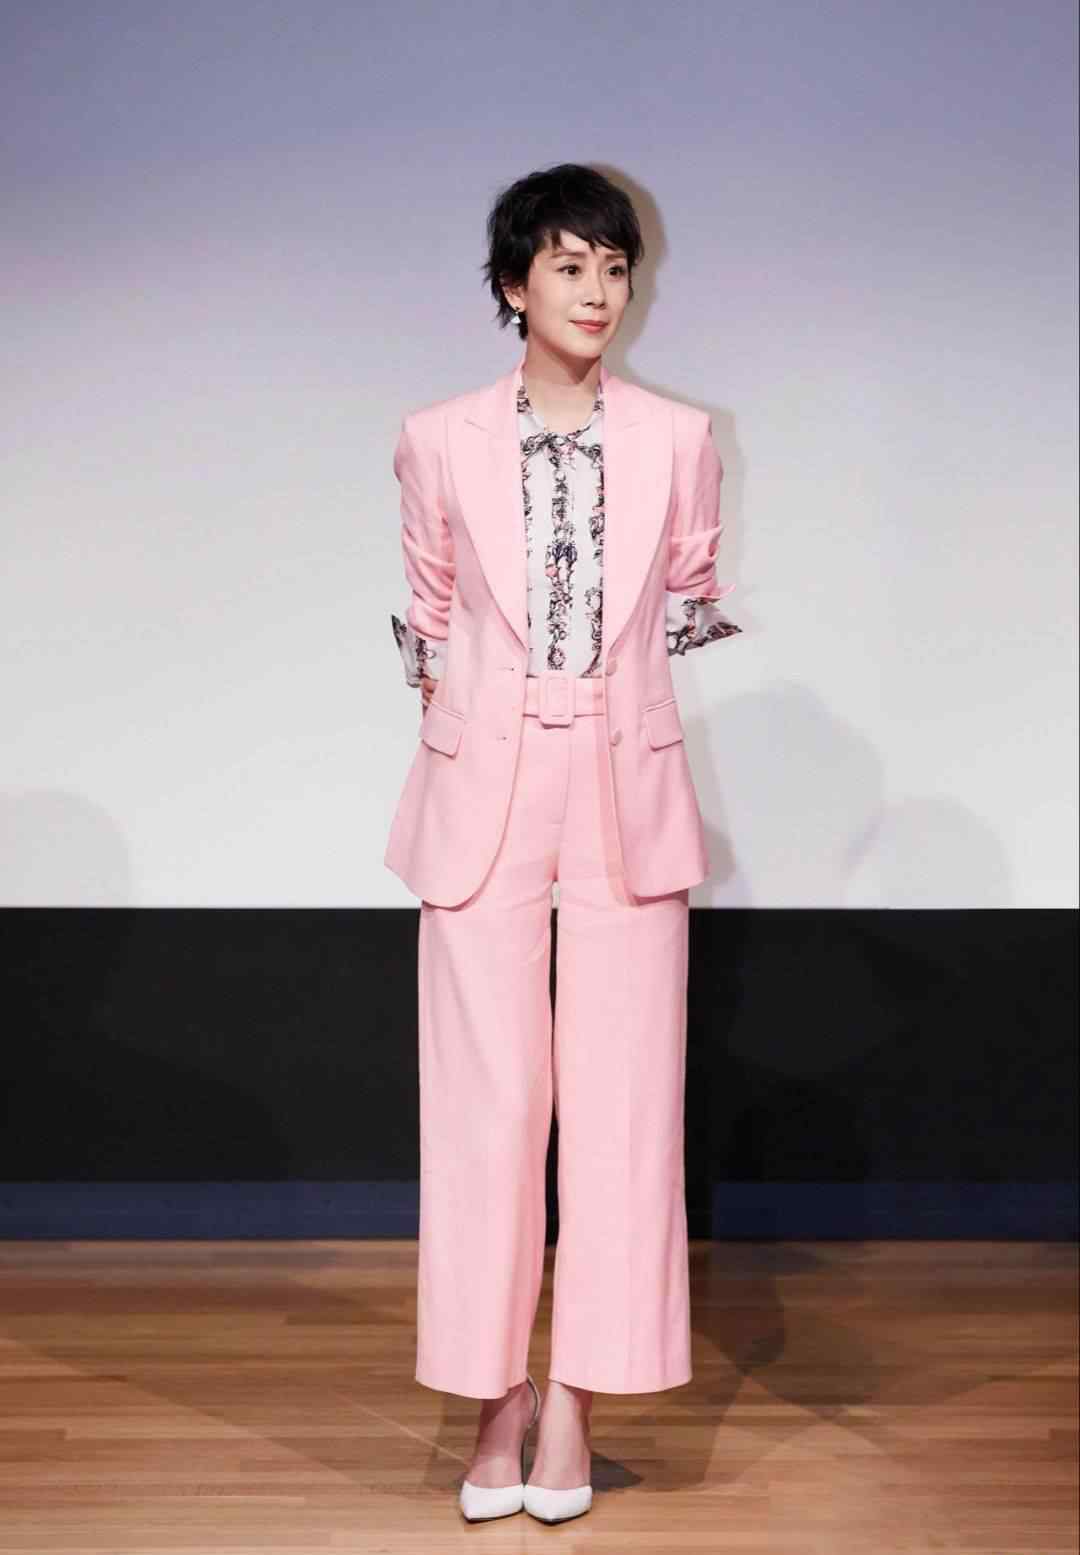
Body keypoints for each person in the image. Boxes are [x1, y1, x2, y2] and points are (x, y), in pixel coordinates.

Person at [385, 163, 741, 1525]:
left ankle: (577, 1401)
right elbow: (426, 614)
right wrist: (492, 718)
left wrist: (604, 704)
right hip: (485, 782)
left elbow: (692, 599)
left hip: (622, 780)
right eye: (571, 266)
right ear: (513, 285)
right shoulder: (435, 438)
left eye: (616, 268)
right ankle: (494, 1403)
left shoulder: (682, 438)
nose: (599, 292)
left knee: (625, 1109)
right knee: (483, 1110)